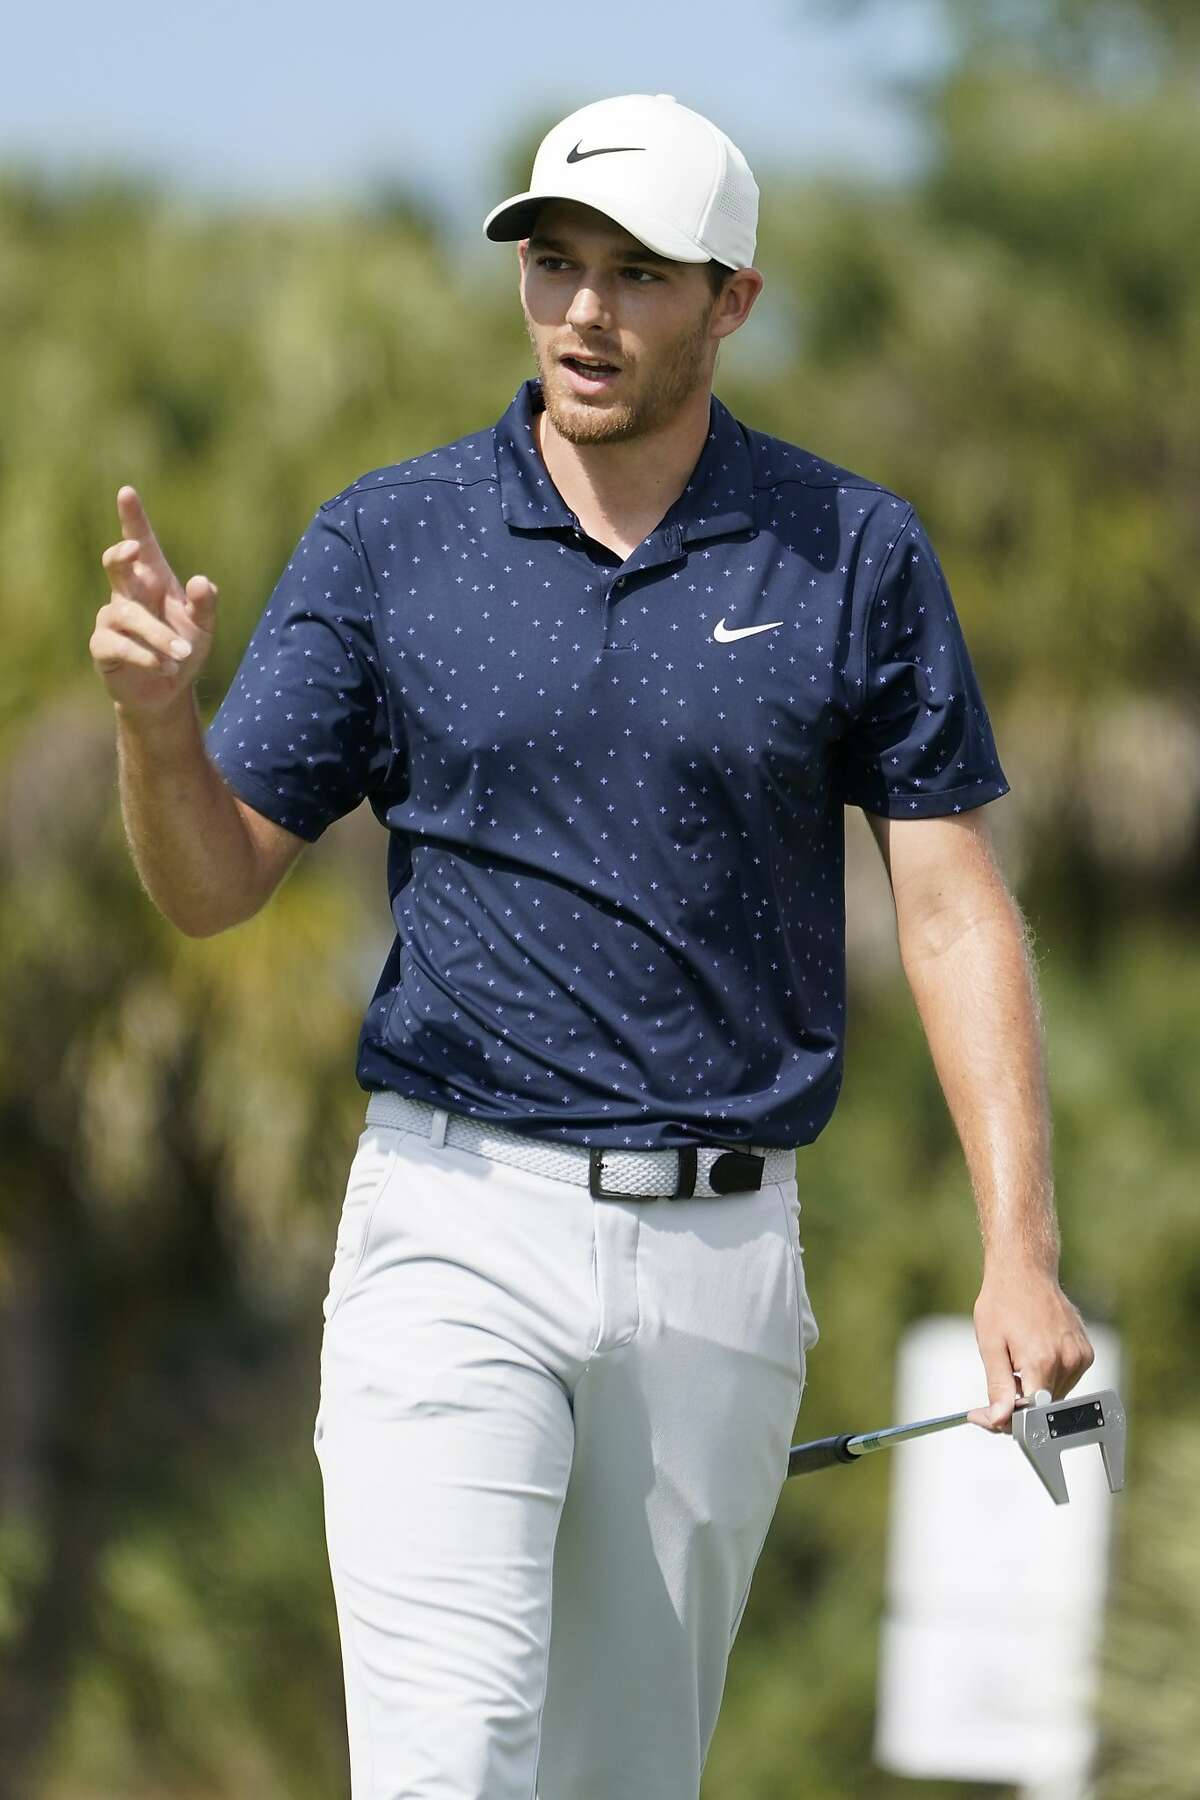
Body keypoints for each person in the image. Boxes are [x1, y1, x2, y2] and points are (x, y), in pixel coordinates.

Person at [90, 91, 1094, 1800]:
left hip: (720, 1257)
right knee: (453, 1753)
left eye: (639, 275)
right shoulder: (390, 535)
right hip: (450, 1227)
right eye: (556, 266)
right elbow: (212, 882)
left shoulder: (850, 549)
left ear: (733, 302)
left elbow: (949, 905)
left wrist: (1020, 1248)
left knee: (618, 1778)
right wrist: (159, 731)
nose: (584, 313)